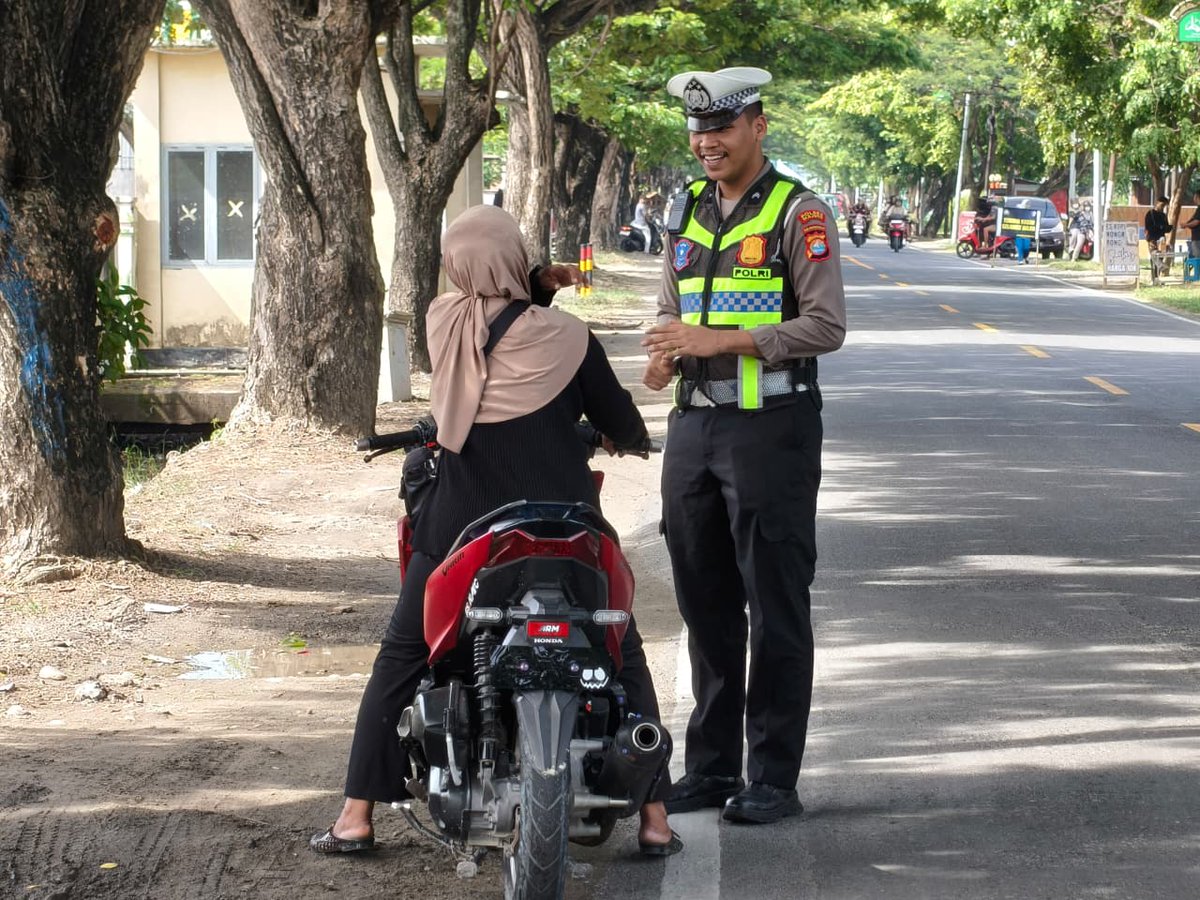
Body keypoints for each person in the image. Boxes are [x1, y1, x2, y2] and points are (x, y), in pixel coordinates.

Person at [311, 205, 681, 858]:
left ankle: (356, 817)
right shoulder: (571, 339)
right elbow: (624, 425)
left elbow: (495, 311)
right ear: (518, 260)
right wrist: (615, 436)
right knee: (620, 650)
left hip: (462, 528)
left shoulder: (442, 323)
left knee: (402, 658)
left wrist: (533, 283)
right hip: (567, 529)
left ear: (454, 266)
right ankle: (656, 819)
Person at [641, 66, 846, 825]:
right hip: (694, 429)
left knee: (775, 604)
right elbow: (670, 311)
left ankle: (773, 777)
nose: (707, 143)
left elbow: (825, 327)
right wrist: (663, 357)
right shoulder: (686, 210)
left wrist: (717, 338)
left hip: (772, 433)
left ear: (758, 125)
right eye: (698, 131)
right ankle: (713, 767)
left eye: (721, 128)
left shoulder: (801, 212)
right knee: (706, 604)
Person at [1145, 196, 1171, 277]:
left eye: (1164, 206)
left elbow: (1166, 228)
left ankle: (1157, 277)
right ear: (1157, 203)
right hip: (1152, 239)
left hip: (1162, 239)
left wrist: (1168, 228)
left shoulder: (1163, 215)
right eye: (1162, 205)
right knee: (1154, 256)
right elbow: (1148, 227)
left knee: (1160, 257)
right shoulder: (1150, 214)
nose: (1163, 207)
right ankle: (1154, 277)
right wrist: (1159, 227)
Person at [1180, 190, 1200, 260]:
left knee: (1197, 258)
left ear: (1197, 197)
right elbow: (1193, 219)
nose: (1193, 198)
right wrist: (1186, 224)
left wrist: (1186, 225)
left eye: (1194, 196)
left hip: (1198, 238)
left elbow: (1196, 222)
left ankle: (1198, 271)